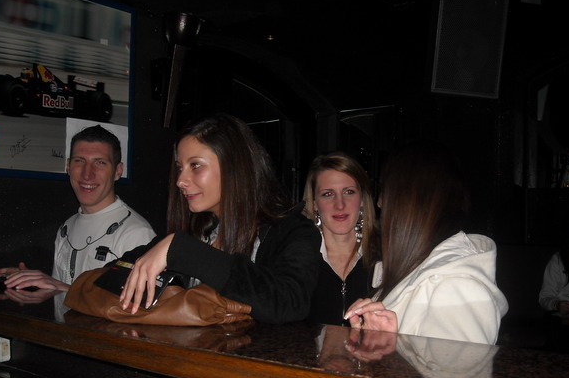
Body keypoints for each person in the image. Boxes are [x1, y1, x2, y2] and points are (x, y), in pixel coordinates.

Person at [117, 113, 321, 324]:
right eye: (180, 168)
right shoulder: (196, 232)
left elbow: (290, 302)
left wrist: (186, 253)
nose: (180, 181)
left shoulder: (292, 231)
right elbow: (115, 270)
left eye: (195, 165)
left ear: (234, 166)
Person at [344, 139, 508, 345]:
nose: (379, 203)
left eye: (385, 192)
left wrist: (392, 350)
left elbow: (457, 368)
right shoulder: (419, 271)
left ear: (408, 202)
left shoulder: (456, 286)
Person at [0, 125, 155, 292]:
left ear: (118, 171)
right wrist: (27, 280)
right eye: (79, 161)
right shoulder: (67, 227)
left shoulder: (137, 234)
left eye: (100, 163)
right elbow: (62, 301)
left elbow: (135, 307)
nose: (87, 174)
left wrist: (60, 286)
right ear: (68, 167)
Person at [302, 152, 380, 325]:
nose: (340, 205)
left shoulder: (386, 255)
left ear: (362, 199)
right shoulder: (297, 258)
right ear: (314, 203)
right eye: (328, 194)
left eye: (349, 192)